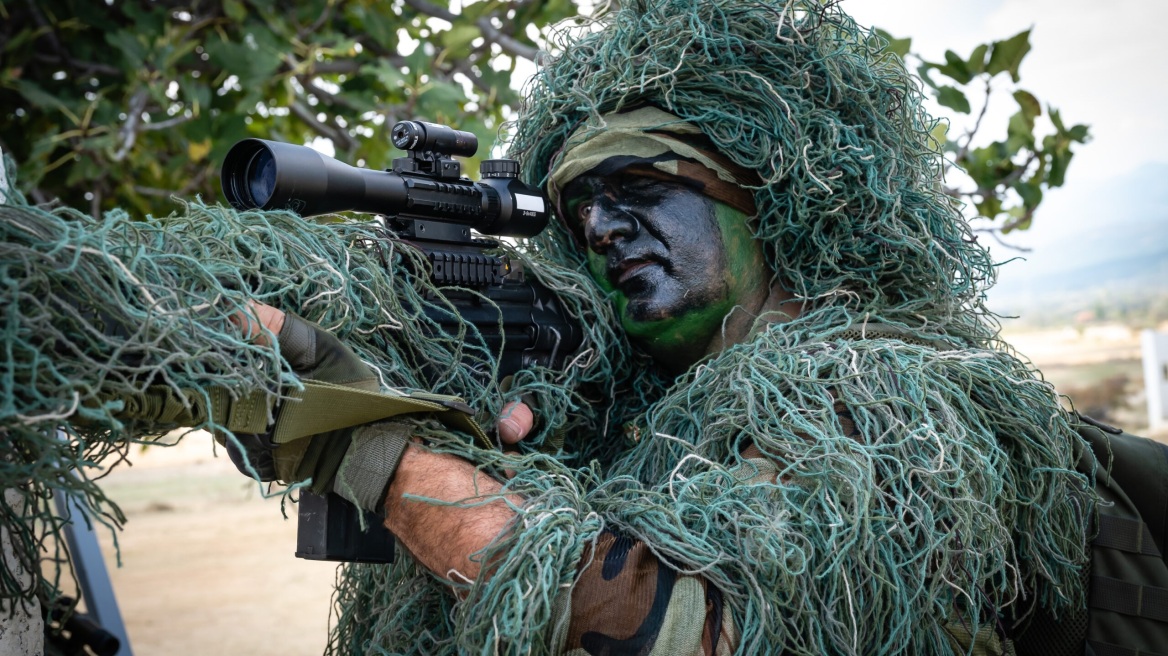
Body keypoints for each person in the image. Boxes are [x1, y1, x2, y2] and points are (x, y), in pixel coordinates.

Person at [235, 1, 1097, 654]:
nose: (604, 227)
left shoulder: (888, 397)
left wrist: (368, 452)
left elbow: (689, 629)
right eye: (580, 213)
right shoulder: (641, 418)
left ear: (754, 205)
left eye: (640, 190)